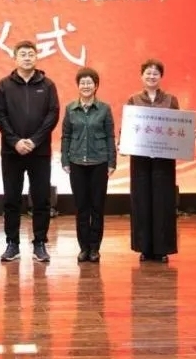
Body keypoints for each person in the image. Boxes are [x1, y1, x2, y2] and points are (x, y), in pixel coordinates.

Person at [0, 40, 61, 263]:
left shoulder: (48, 85)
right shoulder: (3, 85)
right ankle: (12, 244)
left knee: (41, 199)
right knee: (11, 198)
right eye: (22, 54)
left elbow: (52, 114)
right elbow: (0, 115)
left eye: (31, 54)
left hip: (39, 151)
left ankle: (39, 243)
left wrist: (34, 141)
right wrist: (15, 141)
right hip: (12, 152)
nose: (27, 57)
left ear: (36, 57)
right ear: (15, 58)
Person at [125, 59, 183, 263]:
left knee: (163, 201)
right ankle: (144, 248)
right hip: (140, 159)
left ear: (161, 77)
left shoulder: (171, 100)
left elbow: (178, 127)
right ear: (142, 76)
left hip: (163, 159)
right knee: (141, 201)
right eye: (148, 73)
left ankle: (162, 248)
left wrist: (186, 135)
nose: (151, 77)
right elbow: (128, 127)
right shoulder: (133, 99)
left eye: (155, 73)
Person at [60, 67, 115, 263]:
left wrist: (112, 162)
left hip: (99, 162)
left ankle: (95, 248)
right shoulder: (70, 109)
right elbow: (66, 136)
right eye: (82, 83)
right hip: (76, 162)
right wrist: (65, 160)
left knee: (97, 207)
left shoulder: (104, 109)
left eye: (89, 82)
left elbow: (110, 136)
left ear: (96, 85)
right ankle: (83, 248)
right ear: (78, 86)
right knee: (81, 207)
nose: (86, 86)